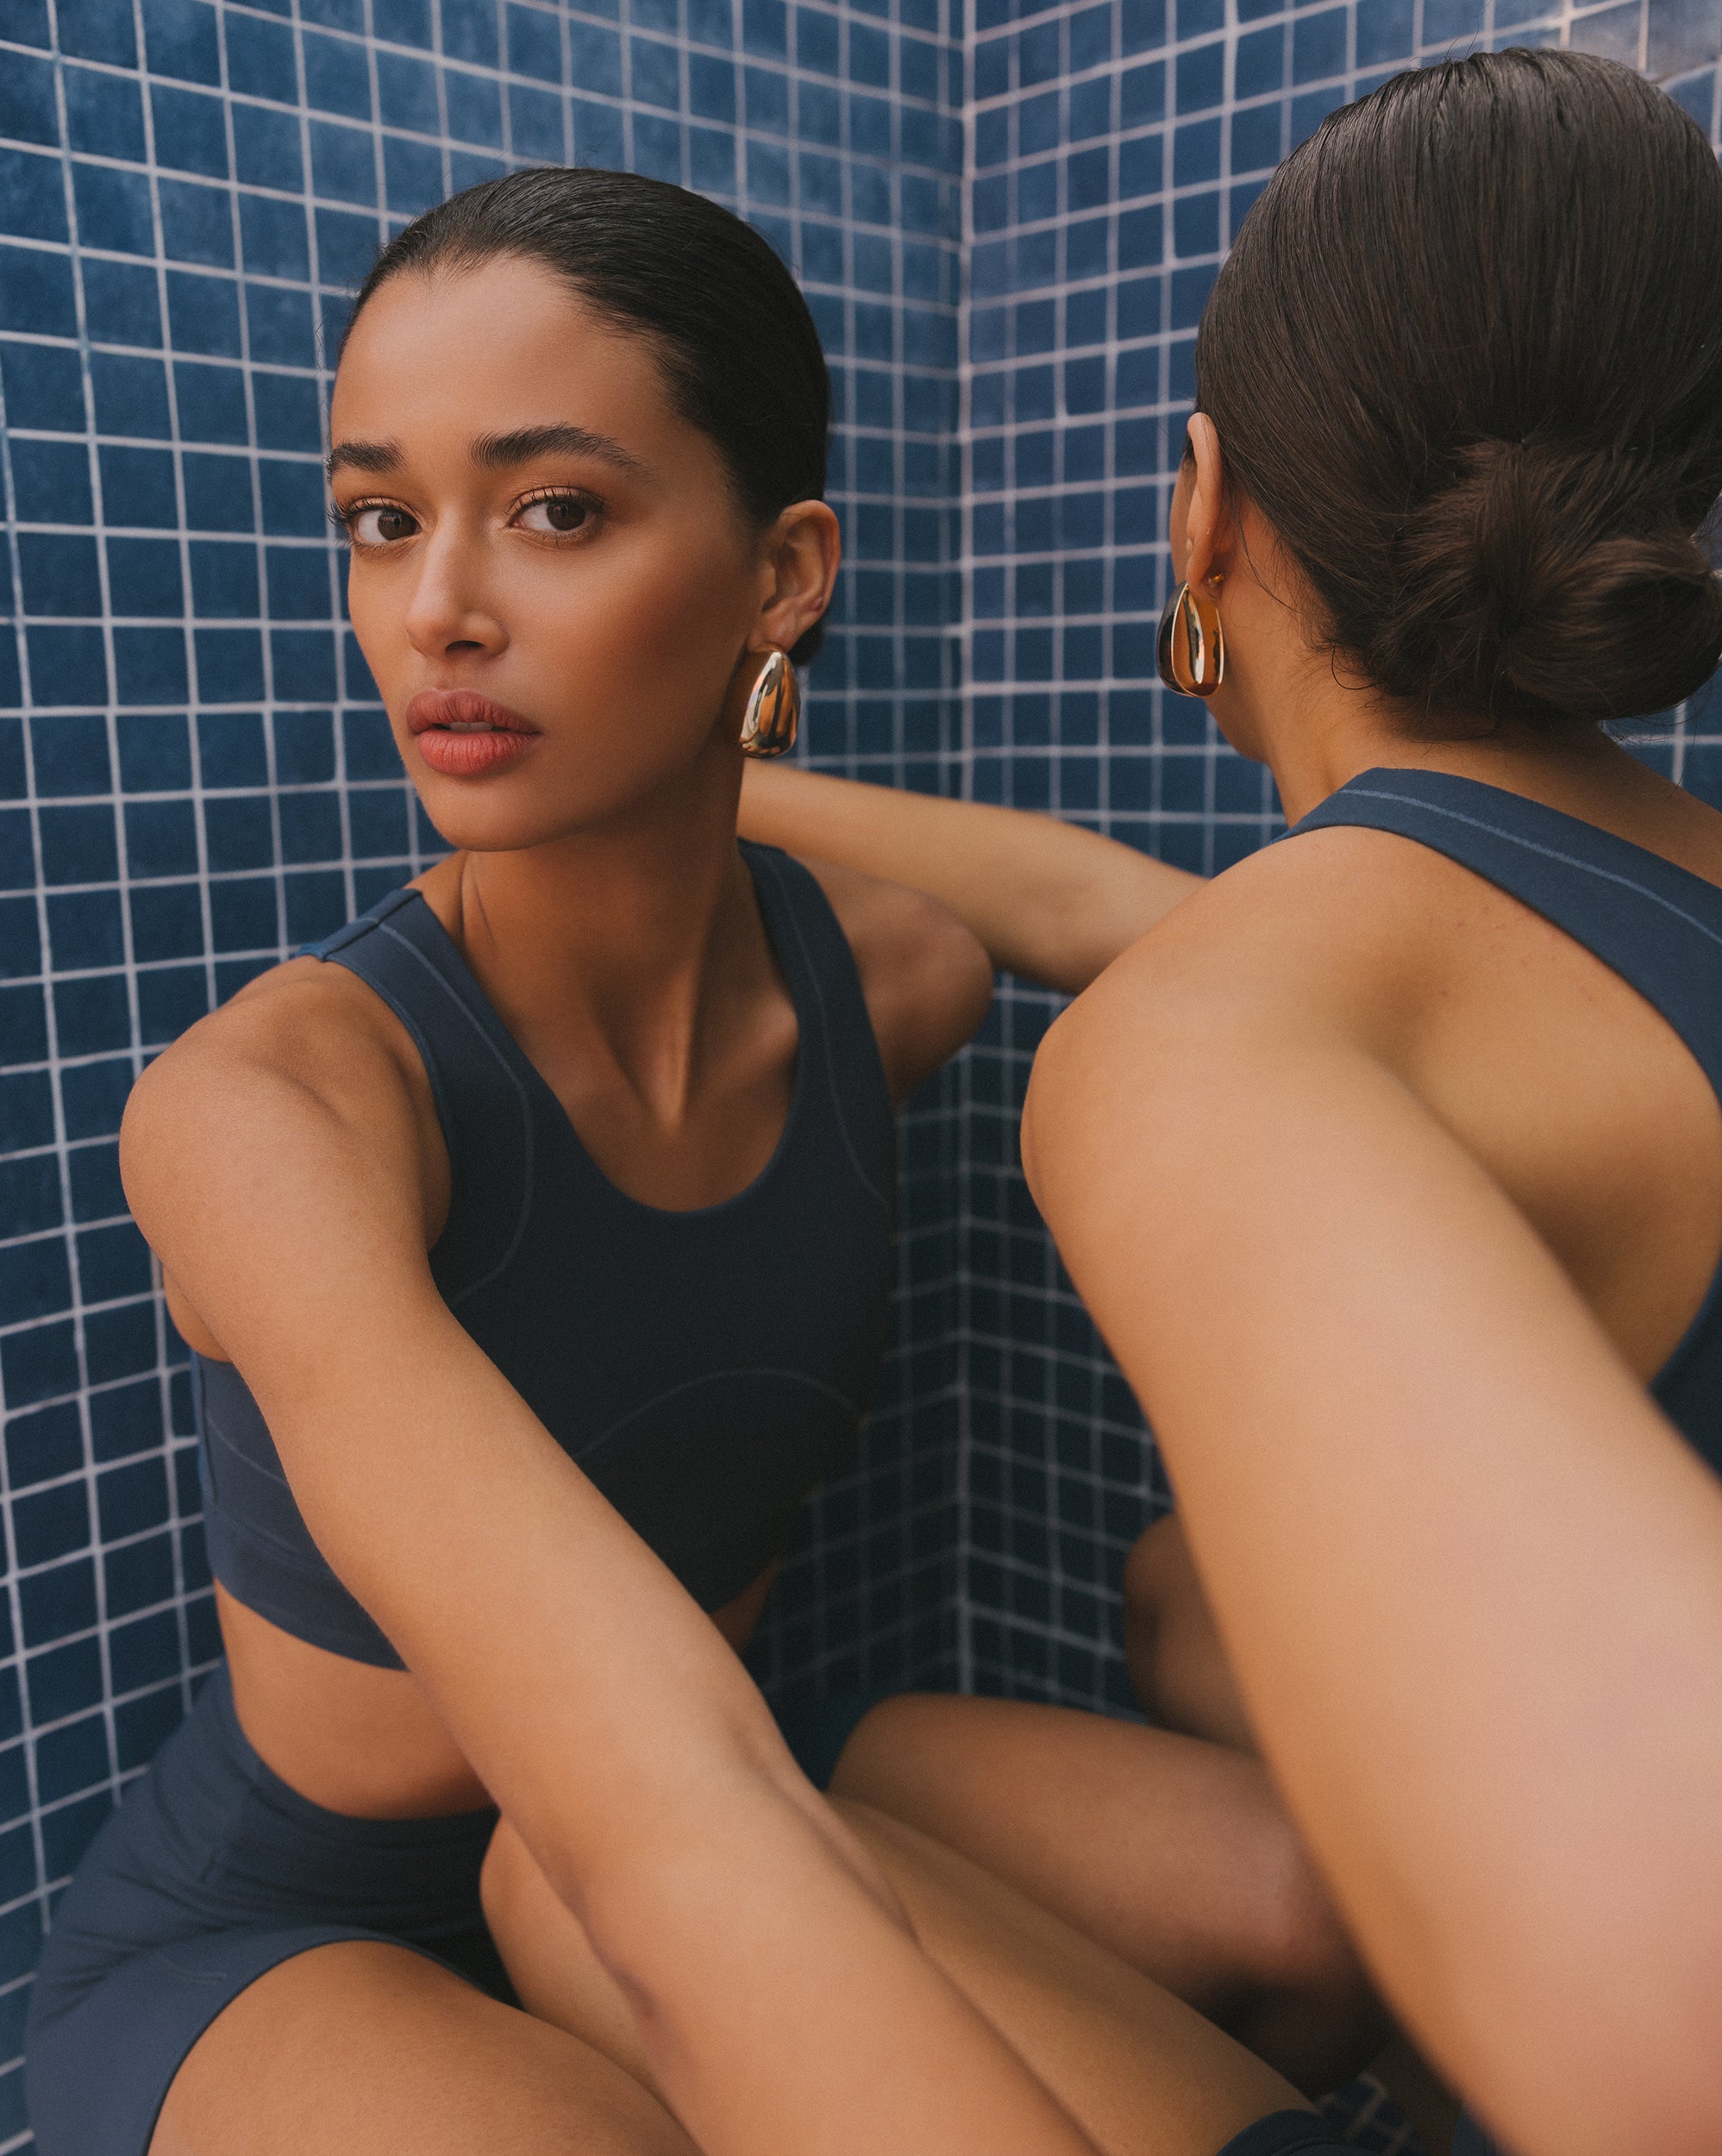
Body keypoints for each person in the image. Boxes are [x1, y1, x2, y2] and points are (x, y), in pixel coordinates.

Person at [24, 166, 1355, 2156]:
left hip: (744, 1757)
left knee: (1329, 1902)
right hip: (306, 1919)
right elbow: (634, 1795)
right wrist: (645, 740)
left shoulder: (887, 977)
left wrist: (698, 778)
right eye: (382, 519)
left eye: (555, 509)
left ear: (782, 569)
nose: (438, 607)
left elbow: (1146, 928)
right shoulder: (269, 1111)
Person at [755, 47, 1722, 2156]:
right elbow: (1107, 908)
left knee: (597, 1863)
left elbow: (1669, 1974)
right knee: (1163, 1622)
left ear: (1202, 501)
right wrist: (696, 778)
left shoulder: (1229, 1026)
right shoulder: (1530, 938)